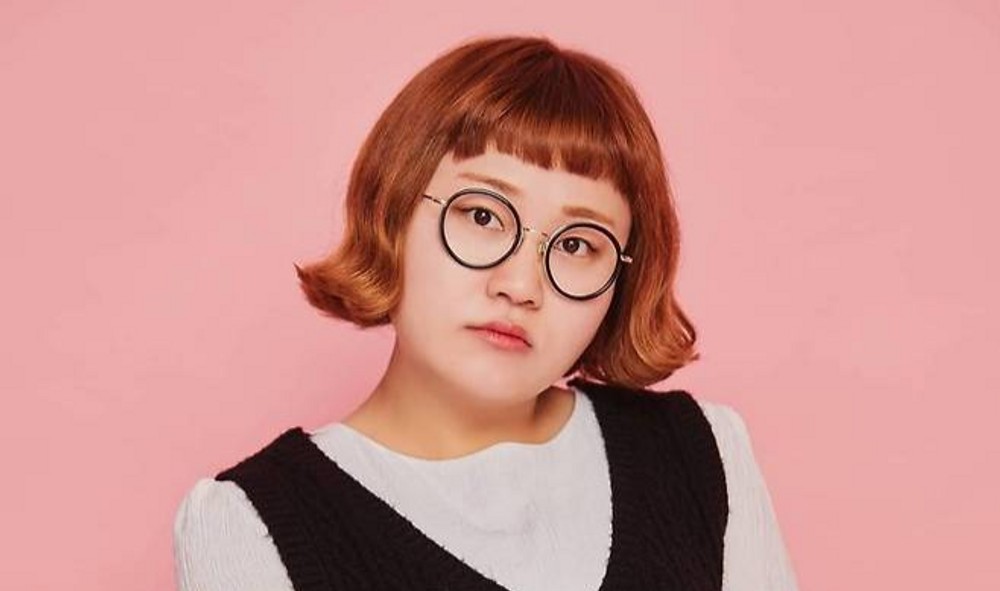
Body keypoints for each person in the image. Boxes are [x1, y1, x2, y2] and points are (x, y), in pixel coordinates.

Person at [173, 35, 798, 591]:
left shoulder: (701, 453)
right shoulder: (248, 524)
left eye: (576, 245)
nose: (521, 285)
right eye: (482, 215)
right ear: (393, 212)